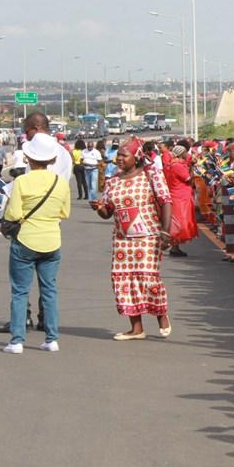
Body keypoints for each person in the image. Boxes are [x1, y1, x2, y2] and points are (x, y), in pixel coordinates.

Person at [91, 137, 174, 340]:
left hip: (148, 236)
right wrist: (100, 209)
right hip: (122, 239)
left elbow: (166, 202)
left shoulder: (151, 174)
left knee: (147, 277)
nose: (119, 158)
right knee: (123, 279)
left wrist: (165, 231)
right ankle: (136, 328)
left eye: (123, 155)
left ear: (136, 158)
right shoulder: (112, 182)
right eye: (118, 155)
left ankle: (161, 315)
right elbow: (108, 213)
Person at [2, 133, 71, 354]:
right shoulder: (60, 183)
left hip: (25, 240)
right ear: (52, 159)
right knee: (49, 290)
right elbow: (65, 212)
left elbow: (13, 214)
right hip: (51, 240)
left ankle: (17, 341)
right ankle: (51, 338)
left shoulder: (22, 181)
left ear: (29, 158)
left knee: (20, 291)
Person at [163, 144, 198, 257]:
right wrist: (192, 167)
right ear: (181, 153)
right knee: (181, 222)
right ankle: (173, 245)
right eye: (185, 152)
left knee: (177, 221)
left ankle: (175, 246)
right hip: (181, 196)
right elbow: (189, 179)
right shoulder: (177, 165)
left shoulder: (170, 164)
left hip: (176, 194)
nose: (186, 154)